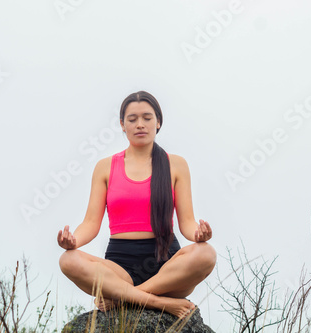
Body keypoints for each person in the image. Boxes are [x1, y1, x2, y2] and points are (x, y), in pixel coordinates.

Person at [57, 91, 217, 319]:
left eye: (147, 118)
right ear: (122, 124)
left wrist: (199, 235)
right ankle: (158, 302)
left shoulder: (176, 165)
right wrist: (73, 241)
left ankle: (127, 297)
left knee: (206, 254)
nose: (140, 124)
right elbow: (91, 223)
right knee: (67, 260)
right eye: (132, 119)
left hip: (167, 267)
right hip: (120, 268)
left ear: (158, 122)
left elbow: (188, 222)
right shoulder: (105, 167)